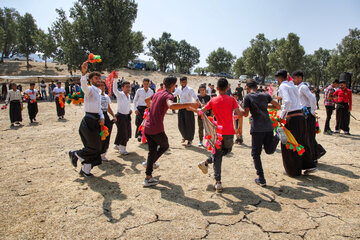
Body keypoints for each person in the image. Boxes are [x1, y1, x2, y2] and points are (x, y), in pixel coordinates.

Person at [142, 76, 199, 187]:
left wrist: (152, 108)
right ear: (173, 85)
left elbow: (146, 101)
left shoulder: (158, 93)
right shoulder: (168, 96)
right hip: (156, 129)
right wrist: (189, 104)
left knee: (152, 151)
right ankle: (150, 165)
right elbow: (172, 106)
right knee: (164, 146)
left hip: (147, 127)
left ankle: (148, 176)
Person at [196, 78, 242, 192]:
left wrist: (192, 108)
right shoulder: (232, 99)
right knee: (225, 152)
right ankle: (218, 181)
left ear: (216, 89)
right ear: (228, 88)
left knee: (218, 155)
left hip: (217, 133)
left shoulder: (213, 100)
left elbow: (202, 111)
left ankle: (207, 163)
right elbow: (239, 113)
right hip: (229, 132)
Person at [68, 61, 105, 177]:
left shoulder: (98, 92)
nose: (98, 80)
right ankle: (75, 154)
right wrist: (83, 73)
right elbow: (83, 85)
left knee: (97, 147)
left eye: (99, 78)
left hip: (96, 121)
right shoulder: (89, 89)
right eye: (96, 78)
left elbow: (98, 108)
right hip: (88, 121)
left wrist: (102, 117)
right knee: (94, 146)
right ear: (91, 80)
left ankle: (85, 170)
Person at [241, 79, 281, 186]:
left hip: (257, 128)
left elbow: (245, 114)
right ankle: (277, 136)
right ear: (257, 87)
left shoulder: (248, 97)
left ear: (248, 88)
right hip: (268, 126)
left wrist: (238, 110)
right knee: (268, 150)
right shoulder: (265, 95)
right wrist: (265, 106)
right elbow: (278, 106)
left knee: (255, 154)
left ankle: (261, 178)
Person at [276, 69, 314, 177]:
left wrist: (281, 116)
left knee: (290, 144)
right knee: (301, 141)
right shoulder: (293, 86)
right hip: (300, 116)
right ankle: (306, 165)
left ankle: (293, 170)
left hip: (292, 118)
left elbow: (287, 101)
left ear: (279, 78)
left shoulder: (283, 86)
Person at [293, 70, 325, 174]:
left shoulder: (303, 87)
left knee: (307, 137)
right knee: (307, 137)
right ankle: (315, 155)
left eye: (295, 78)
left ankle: (312, 160)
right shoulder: (298, 87)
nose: (293, 80)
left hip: (307, 113)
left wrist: (312, 110)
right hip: (303, 113)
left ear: (300, 78)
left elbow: (312, 98)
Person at [173, 77, 200, 146]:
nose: (183, 83)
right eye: (182, 82)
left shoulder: (190, 89)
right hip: (181, 108)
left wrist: (198, 104)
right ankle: (184, 137)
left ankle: (190, 140)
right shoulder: (178, 89)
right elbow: (173, 95)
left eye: (184, 82)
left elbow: (195, 97)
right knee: (181, 124)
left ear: (186, 82)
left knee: (189, 124)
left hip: (188, 108)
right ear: (180, 82)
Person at [113, 77, 132, 155]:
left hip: (127, 116)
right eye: (126, 87)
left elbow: (128, 104)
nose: (128, 88)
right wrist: (115, 79)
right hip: (120, 116)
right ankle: (122, 149)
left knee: (127, 132)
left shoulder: (129, 96)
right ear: (122, 88)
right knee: (123, 133)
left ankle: (117, 145)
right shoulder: (120, 94)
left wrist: (130, 109)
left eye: (129, 87)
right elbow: (114, 89)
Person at [99, 80, 117, 161]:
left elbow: (108, 107)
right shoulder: (96, 96)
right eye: (101, 85)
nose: (103, 87)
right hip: (98, 116)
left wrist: (113, 115)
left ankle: (103, 153)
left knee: (106, 134)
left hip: (105, 116)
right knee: (99, 135)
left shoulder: (106, 96)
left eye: (103, 85)